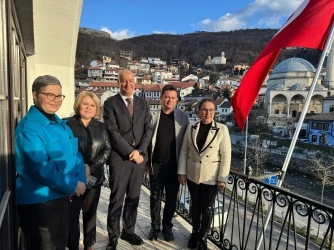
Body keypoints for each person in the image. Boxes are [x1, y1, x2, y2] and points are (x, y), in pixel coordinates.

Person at [15, 75, 87, 250]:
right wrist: (72, 185)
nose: (56, 101)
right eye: (50, 95)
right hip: (41, 204)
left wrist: (81, 181)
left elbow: (75, 154)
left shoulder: (60, 124)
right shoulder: (29, 128)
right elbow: (41, 168)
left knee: (61, 244)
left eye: (59, 96)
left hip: (62, 197)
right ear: (35, 95)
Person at [103, 69, 152, 250]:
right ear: (118, 82)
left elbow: (148, 130)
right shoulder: (110, 104)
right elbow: (113, 132)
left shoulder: (143, 103)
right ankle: (113, 236)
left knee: (134, 197)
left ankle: (128, 231)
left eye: (131, 80)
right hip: (120, 159)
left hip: (139, 160)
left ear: (135, 82)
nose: (128, 84)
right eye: (124, 81)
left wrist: (139, 151)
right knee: (117, 199)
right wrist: (131, 151)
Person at [178, 98, 231, 250]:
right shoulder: (191, 128)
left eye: (211, 110)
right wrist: (181, 172)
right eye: (204, 110)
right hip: (193, 175)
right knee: (195, 205)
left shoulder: (222, 129)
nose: (207, 113)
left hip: (211, 177)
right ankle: (194, 232)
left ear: (214, 112)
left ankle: (203, 236)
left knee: (206, 208)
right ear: (199, 111)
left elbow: (226, 156)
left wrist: (222, 178)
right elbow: (184, 151)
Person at [66, 91, 111, 250]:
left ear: (97, 109)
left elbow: (106, 149)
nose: (88, 107)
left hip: (94, 178)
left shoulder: (101, 126)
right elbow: (63, 151)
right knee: (71, 215)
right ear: (78, 105)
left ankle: (89, 245)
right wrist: (80, 169)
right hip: (73, 179)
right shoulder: (67, 124)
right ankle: (72, 245)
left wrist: (90, 167)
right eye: (85, 104)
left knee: (90, 214)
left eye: (92, 105)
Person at [146, 84, 189, 241]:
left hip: (174, 166)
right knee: (155, 198)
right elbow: (147, 142)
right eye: (166, 97)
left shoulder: (183, 117)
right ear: (161, 98)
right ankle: (155, 227)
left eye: (172, 98)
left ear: (176, 100)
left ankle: (167, 227)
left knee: (171, 200)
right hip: (156, 165)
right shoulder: (153, 116)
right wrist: (146, 162)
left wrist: (183, 169)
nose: (169, 100)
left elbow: (187, 143)